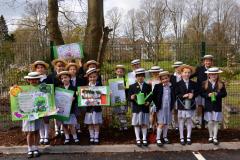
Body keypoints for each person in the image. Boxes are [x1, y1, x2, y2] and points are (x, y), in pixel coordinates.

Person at [201, 67, 227, 145]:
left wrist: (217, 94)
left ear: (217, 75)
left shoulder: (221, 84)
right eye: (212, 74)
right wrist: (207, 95)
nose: (213, 76)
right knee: (210, 121)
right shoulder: (204, 83)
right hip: (208, 105)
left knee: (215, 121)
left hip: (217, 105)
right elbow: (202, 93)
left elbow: (224, 94)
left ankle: (215, 137)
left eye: (215, 74)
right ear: (209, 75)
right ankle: (210, 136)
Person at [175, 65, 199, 145]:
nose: (187, 74)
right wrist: (183, 96)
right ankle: (181, 137)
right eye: (185, 72)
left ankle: (188, 137)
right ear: (181, 73)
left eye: (189, 73)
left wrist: (193, 95)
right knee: (181, 121)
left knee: (189, 120)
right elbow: (176, 94)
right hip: (181, 105)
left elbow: (197, 92)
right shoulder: (178, 84)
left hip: (190, 104)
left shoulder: (194, 84)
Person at [128, 68, 152, 147]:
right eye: (138, 76)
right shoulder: (132, 86)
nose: (140, 77)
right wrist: (131, 97)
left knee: (144, 124)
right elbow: (129, 97)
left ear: (144, 77)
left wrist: (148, 102)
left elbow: (150, 95)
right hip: (136, 108)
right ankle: (138, 139)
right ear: (136, 77)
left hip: (145, 108)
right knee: (136, 124)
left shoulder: (148, 86)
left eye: (142, 76)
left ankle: (144, 138)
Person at [21, 72, 42, 158]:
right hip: (27, 114)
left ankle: (36, 148)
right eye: (31, 79)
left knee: (36, 131)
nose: (33, 81)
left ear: (38, 80)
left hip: (38, 113)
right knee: (29, 132)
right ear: (28, 80)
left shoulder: (42, 88)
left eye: (35, 79)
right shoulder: (23, 89)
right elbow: (16, 96)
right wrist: (13, 90)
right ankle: (30, 149)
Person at [31, 60, 52, 145]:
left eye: (42, 67)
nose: (40, 69)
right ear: (35, 69)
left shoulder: (49, 78)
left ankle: (46, 136)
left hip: (47, 102)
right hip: (37, 102)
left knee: (46, 119)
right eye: (38, 68)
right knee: (39, 119)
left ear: (45, 69)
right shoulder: (33, 78)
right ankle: (41, 136)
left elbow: (52, 88)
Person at [190, 55, 214, 128]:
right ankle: (199, 121)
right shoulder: (199, 69)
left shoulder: (213, 69)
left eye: (209, 61)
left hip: (209, 92)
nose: (208, 62)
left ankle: (207, 121)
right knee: (199, 106)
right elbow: (191, 76)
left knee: (208, 106)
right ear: (204, 62)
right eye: (206, 61)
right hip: (199, 91)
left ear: (211, 62)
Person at [152, 71, 175, 146]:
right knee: (161, 123)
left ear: (169, 78)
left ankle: (165, 137)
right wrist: (156, 105)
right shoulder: (157, 86)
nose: (165, 80)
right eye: (163, 79)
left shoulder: (171, 86)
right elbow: (154, 96)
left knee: (166, 123)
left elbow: (173, 96)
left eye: (166, 78)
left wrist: (173, 105)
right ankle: (158, 138)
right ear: (160, 80)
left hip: (168, 108)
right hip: (161, 108)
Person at [57, 71, 80, 145]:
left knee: (71, 124)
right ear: (61, 80)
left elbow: (78, 98)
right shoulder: (59, 89)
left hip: (71, 109)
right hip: (62, 110)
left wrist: (75, 98)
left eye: (66, 77)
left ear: (69, 78)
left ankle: (75, 137)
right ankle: (67, 137)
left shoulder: (74, 88)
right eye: (62, 78)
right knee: (64, 125)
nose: (64, 79)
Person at [83, 68, 103, 145]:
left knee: (96, 123)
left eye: (94, 77)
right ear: (88, 78)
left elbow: (103, 95)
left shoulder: (99, 85)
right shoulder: (85, 87)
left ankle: (96, 137)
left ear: (97, 77)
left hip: (97, 108)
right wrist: (79, 94)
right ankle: (91, 136)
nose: (92, 78)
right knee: (90, 123)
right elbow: (83, 98)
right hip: (89, 108)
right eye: (90, 77)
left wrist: (108, 94)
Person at [66, 62, 85, 135]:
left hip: (78, 99)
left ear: (76, 70)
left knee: (78, 114)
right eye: (71, 69)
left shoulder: (80, 79)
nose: (72, 71)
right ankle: (71, 127)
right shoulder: (67, 79)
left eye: (74, 69)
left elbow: (83, 89)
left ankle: (78, 127)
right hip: (70, 100)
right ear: (68, 70)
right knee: (72, 114)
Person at [50, 59, 67, 137]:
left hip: (64, 97)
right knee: (56, 113)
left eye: (62, 66)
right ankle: (56, 128)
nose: (60, 67)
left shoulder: (66, 75)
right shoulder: (51, 76)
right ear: (55, 67)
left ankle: (62, 128)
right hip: (54, 96)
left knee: (63, 112)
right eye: (59, 66)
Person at [112, 65, 128, 130]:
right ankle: (120, 125)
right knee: (118, 112)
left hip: (123, 98)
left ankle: (124, 125)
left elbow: (128, 88)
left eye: (121, 72)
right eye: (118, 71)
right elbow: (111, 89)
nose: (119, 73)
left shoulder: (126, 80)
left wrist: (126, 88)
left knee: (123, 112)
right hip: (116, 98)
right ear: (116, 72)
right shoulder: (113, 80)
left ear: (123, 72)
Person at [148, 66, 162, 132]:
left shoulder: (161, 80)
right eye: (154, 72)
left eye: (157, 72)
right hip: (153, 98)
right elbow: (149, 90)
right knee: (152, 112)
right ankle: (151, 125)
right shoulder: (150, 81)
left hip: (159, 98)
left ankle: (156, 124)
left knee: (157, 112)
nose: (155, 73)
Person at [170, 61, 183, 131]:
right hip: (175, 96)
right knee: (175, 111)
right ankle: (176, 124)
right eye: (177, 67)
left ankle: (182, 124)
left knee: (182, 110)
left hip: (183, 95)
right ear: (175, 68)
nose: (178, 69)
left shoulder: (184, 75)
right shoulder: (172, 77)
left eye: (179, 67)